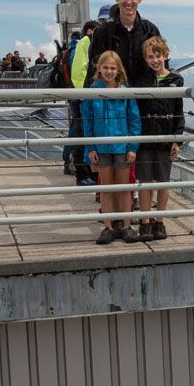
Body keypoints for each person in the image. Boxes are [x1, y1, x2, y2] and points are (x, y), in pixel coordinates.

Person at [80, 51, 142, 244]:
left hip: (122, 146)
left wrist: (132, 146)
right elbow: (87, 121)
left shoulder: (125, 90)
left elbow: (134, 120)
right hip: (101, 147)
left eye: (113, 68)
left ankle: (126, 226)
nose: (109, 71)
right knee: (106, 188)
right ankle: (107, 227)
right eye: (105, 67)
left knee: (124, 188)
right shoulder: (93, 90)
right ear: (98, 68)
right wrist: (90, 148)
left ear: (118, 70)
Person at [134, 36, 184, 241]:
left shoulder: (176, 80)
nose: (154, 60)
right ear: (145, 59)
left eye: (158, 56)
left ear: (166, 55)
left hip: (165, 138)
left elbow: (179, 110)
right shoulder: (141, 81)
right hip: (145, 137)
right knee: (145, 180)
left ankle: (160, 221)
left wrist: (177, 139)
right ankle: (145, 222)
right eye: (150, 57)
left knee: (163, 181)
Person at [87, 0, 160, 87]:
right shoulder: (104, 32)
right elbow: (94, 69)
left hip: (145, 97)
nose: (129, 2)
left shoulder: (150, 31)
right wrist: (87, 98)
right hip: (115, 98)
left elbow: (161, 65)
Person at [67, 20, 99, 181]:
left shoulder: (92, 41)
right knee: (82, 133)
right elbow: (78, 71)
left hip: (90, 95)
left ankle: (89, 174)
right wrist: (84, 96)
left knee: (85, 133)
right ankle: (82, 174)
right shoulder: (86, 42)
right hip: (85, 97)